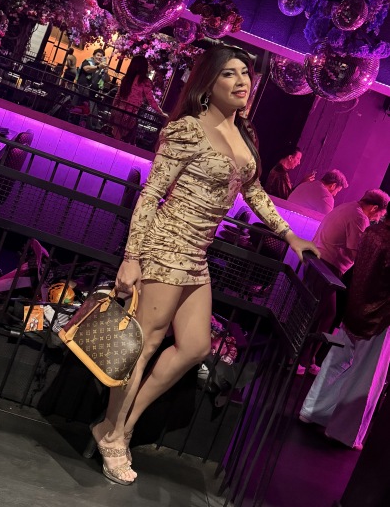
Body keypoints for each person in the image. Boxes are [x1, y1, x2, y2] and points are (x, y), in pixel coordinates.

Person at [88, 45, 320, 485]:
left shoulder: (244, 134)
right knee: (144, 344)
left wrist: (289, 234)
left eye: (245, 73)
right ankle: (114, 434)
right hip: (167, 244)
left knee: (195, 347)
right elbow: (151, 193)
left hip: (197, 253)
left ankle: (120, 426)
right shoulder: (186, 130)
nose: (242, 81)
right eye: (229, 74)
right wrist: (132, 257)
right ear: (208, 84)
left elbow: (253, 191)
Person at [299, 202, 390, 450]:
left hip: (354, 307)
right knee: (366, 376)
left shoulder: (372, 232)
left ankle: (312, 410)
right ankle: (343, 432)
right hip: (380, 316)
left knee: (335, 362)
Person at [297, 189, 390, 375]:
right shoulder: (359, 218)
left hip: (318, 261)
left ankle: (306, 358)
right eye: (380, 214)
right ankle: (300, 359)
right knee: (322, 315)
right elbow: (358, 252)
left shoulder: (347, 207)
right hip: (327, 267)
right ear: (374, 208)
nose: (378, 219)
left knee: (320, 313)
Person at [110, 55, 168, 143]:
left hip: (119, 111)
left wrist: (113, 109)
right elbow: (151, 100)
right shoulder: (144, 82)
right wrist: (161, 113)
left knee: (115, 138)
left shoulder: (127, 78)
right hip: (130, 115)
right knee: (125, 141)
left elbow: (118, 95)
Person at [75, 48, 110, 127]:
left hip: (92, 95)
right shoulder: (87, 61)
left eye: (101, 56)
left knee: (90, 114)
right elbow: (86, 69)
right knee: (81, 111)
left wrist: (106, 72)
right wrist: (98, 67)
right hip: (82, 91)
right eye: (98, 55)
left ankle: (87, 127)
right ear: (93, 56)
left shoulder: (101, 68)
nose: (99, 57)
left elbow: (107, 80)